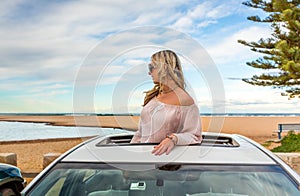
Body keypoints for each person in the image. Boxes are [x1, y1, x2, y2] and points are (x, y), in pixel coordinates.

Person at [130, 50, 202, 155]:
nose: (149, 72)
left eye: (151, 67)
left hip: (164, 160)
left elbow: (194, 135)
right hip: (143, 158)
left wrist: (173, 139)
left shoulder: (185, 100)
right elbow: (141, 133)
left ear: (163, 68)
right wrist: (131, 153)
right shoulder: (154, 96)